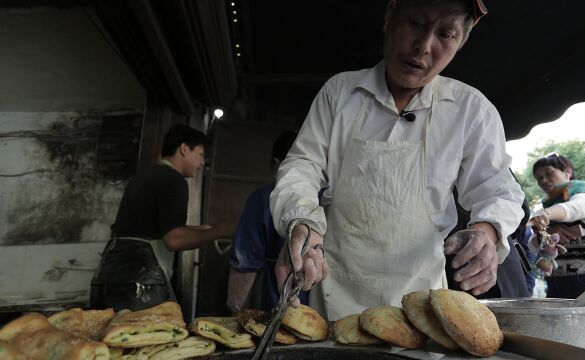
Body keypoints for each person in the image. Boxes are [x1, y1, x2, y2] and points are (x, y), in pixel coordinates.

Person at [269, 0, 526, 320]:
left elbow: (498, 190)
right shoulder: (340, 92)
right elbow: (302, 166)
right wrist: (302, 221)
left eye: (446, 34)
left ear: (461, 41)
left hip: (422, 300)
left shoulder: (470, 109)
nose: (423, 46)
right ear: (390, 15)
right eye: (416, 23)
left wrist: (488, 232)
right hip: (337, 293)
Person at [91, 125, 234, 311]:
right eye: (200, 154)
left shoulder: (144, 176)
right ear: (184, 149)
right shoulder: (174, 181)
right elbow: (173, 239)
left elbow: (151, 228)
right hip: (141, 283)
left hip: (107, 276)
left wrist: (201, 229)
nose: (201, 163)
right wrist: (223, 230)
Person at [226, 130, 310, 313]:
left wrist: (236, 313)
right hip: (326, 315)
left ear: (276, 164)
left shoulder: (263, 199)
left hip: (277, 312)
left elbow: (245, 263)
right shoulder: (329, 200)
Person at [528, 153, 585, 301]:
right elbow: (532, 246)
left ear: (567, 172)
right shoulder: (548, 213)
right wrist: (546, 231)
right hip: (556, 284)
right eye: (539, 178)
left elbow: (571, 210)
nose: (544, 180)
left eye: (549, 173)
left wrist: (544, 215)